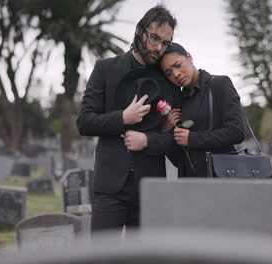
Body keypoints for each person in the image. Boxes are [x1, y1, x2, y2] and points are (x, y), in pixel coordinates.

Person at [76, 5, 178, 232]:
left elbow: (175, 137)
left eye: (165, 43)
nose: (159, 48)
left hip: (150, 187)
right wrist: (123, 117)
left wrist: (148, 141)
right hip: (109, 186)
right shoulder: (105, 69)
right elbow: (84, 122)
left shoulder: (168, 78)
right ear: (139, 31)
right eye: (154, 38)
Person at [159, 43, 245, 177]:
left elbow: (236, 132)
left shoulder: (219, 84)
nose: (176, 74)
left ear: (189, 57)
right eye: (169, 73)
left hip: (220, 179)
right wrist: (166, 131)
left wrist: (192, 139)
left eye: (177, 65)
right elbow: (178, 159)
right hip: (188, 185)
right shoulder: (179, 101)